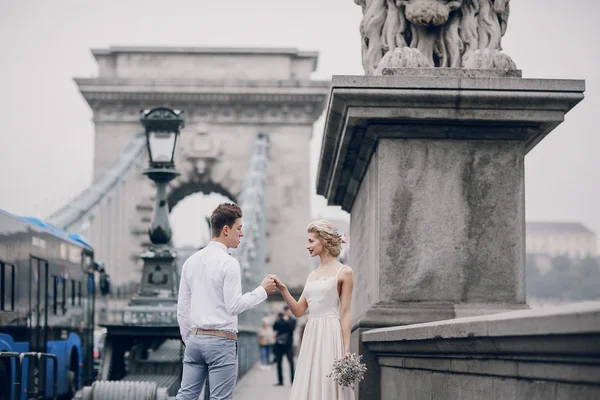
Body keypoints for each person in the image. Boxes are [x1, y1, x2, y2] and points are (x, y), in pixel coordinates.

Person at [176, 203, 277, 400]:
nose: (242, 234)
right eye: (239, 228)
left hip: (195, 339)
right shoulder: (229, 263)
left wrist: (191, 339)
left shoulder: (191, 262)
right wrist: (262, 291)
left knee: (186, 396)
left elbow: (183, 309)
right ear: (225, 230)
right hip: (221, 341)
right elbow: (234, 306)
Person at [274, 220, 354, 399]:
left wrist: (346, 349)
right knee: (309, 386)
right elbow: (298, 311)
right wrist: (283, 289)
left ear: (323, 241)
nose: (307, 246)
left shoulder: (345, 272)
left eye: (311, 241)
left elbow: (346, 312)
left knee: (328, 383)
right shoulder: (312, 275)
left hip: (331, 334)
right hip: (312, 334)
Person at [273, 306, 296, 386]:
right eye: (285, 310)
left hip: (288, 345)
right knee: (279, 362)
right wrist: (278, 319)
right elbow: (275, 327)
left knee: (291, 363)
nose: (286, 311)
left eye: (287, 310)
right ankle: (280, 381)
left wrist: (286, 322)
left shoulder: (292, 320)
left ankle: (293, 381)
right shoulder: (279, 319)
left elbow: (291, 328)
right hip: (279, 344)